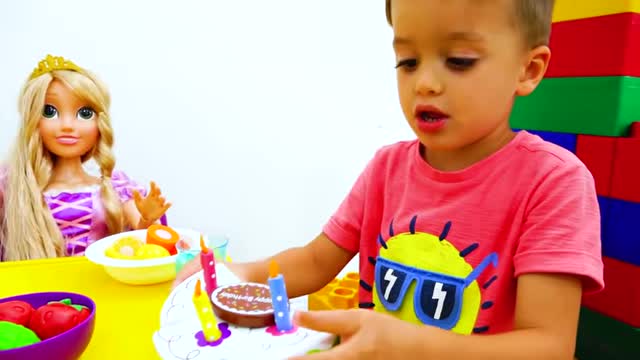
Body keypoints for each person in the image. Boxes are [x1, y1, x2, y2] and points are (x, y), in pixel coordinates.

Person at [176, 0, 603, 358]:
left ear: (528, 69)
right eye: (408, 61)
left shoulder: (554, 183)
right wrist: (239, 272)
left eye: (458, 61)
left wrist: (410, 345)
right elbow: (314, 261)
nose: (426, 83)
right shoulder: (386, 169)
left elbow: (548, 346)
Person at [0, 55, 171, 261]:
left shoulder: (115, 187)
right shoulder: (15, 189)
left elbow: (147, 239)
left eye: (85, 113)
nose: (68, 125)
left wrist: (147, 218)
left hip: (99, 288)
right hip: (42, 289)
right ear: (32, 120)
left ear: (100, 124)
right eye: (50, 111)